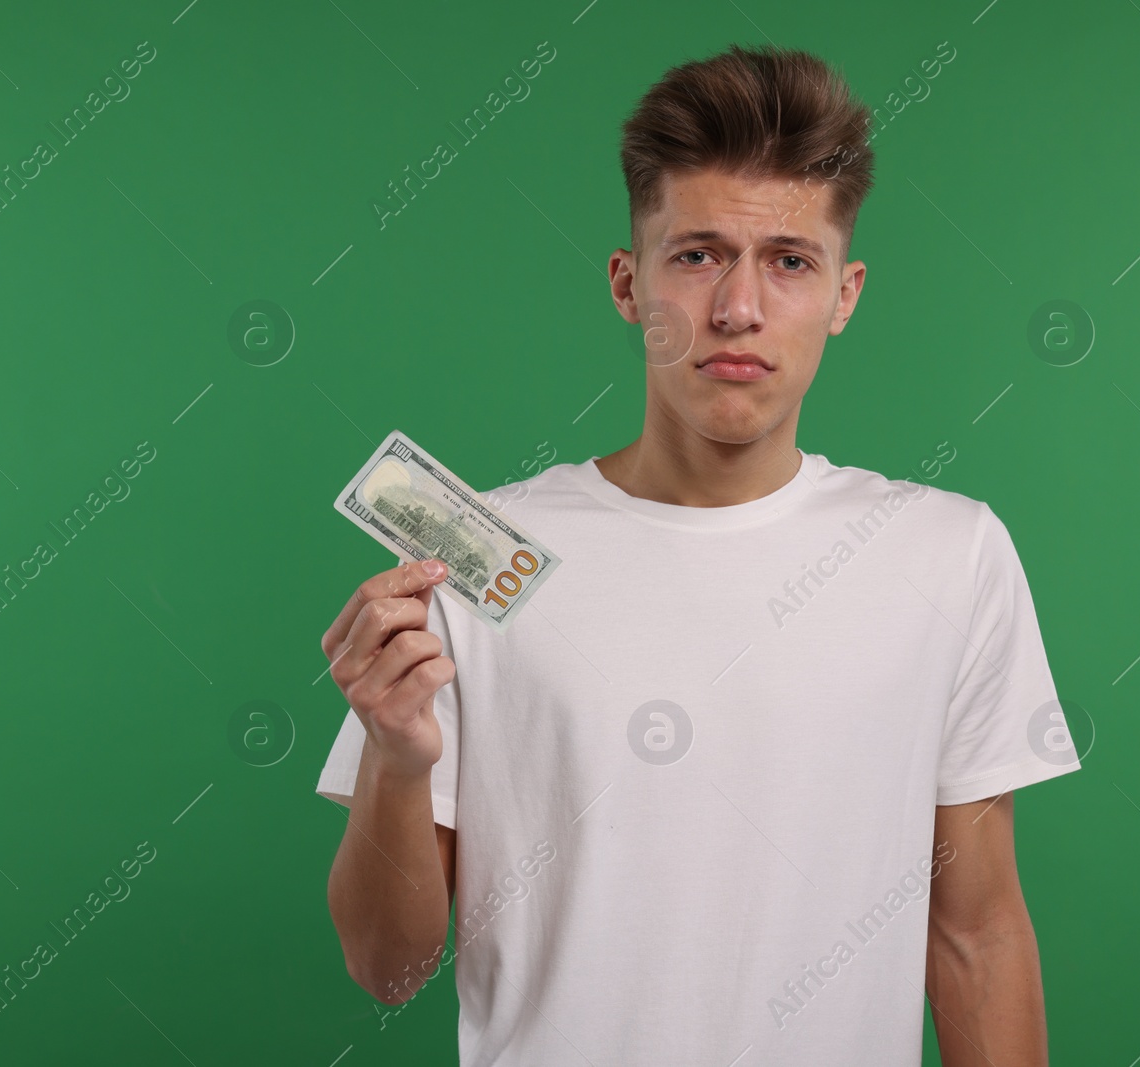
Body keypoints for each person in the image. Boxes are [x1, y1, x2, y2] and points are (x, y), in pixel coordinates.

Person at [315, 42, 1083, 1066]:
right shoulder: (470, 569)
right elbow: (387, 965)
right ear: (627, 284)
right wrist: (398, 767)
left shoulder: (947, 552)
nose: (737, 309)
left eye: (789, 261)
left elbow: (975, 932)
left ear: (844, 293)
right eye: (697, 254)